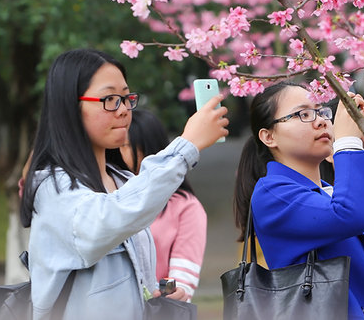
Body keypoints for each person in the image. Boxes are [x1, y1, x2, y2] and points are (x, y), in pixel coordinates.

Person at [20, 48, 228, 320]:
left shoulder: (123, 181)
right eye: (109, 99)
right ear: (70, 106)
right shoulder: (53, 187)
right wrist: (186, 147)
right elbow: (104, 222)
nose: (123, 111)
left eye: (125, 98)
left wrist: (151, 294)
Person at [234, 81, 364, 320]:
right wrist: (347, 144)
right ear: (269, 137)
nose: (322, 121)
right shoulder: (273, 195)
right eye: (303, 114)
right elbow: (348, 215)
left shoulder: (339, 194)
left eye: (322, 111)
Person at [121, 110, 208, 302]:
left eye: (124, 146)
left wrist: (172, 294)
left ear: (149, 150)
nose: (115, 154)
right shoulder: (103, 195)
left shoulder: (185, 208)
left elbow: (181, 282)